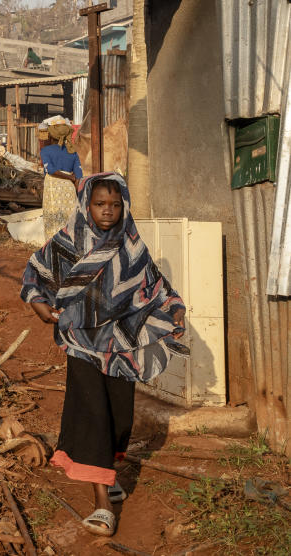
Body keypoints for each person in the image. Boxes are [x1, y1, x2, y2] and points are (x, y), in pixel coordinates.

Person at [20, 174, 187, 537]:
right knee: (93, 413)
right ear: (86, 205)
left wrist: (173, 309)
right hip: (80, 341)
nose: (108, 211)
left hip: (121, 346)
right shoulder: (68, 242)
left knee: (120, 416)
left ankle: (108, 472)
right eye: (100, 204)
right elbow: (35, 273)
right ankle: (102, 503)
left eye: (114, 204)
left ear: (123, 205)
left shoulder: (132, 245)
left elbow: (156, 287)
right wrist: (39, 304)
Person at [38, 120, 82, 241]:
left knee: (53, 219)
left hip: (53, 188)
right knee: (69, 218)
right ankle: (70, 245)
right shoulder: (73, 152)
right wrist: (76, 190)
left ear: (52, 135)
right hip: (69, 189)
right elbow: (78, 175)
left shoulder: (45, 151)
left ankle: (54, 246)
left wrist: (70, 177)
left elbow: (51, 170)